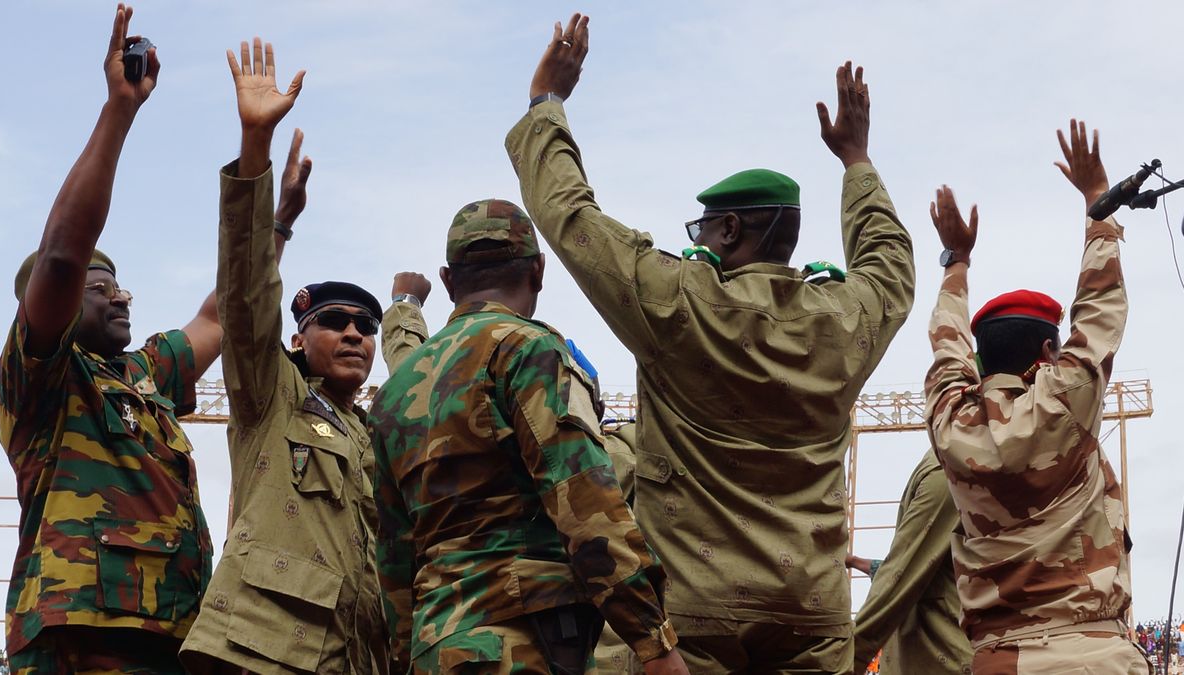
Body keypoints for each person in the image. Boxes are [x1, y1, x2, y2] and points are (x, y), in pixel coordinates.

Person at [505, 14, 915, 673]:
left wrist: (545, 103)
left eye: (702, 227)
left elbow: (569, 215)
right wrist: (857, 161)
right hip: (812, 611)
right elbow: (890, 262)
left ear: (727, 229)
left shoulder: (678, 303)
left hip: (695, 613)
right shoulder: (846, 318)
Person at [0, 6, 223, 672]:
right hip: (82, 637)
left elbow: (221, 315)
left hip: (176, 633)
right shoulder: (44, 379)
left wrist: (270, 209)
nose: (119, 295)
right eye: (102, 288)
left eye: (121, 285)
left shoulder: (145, 374)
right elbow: (63, 254)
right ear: (57, 306)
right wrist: (120, 111)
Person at [370, 199, 688, 674]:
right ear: (539, 271)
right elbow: (585, 504)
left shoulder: (395, 390)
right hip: (523, 644)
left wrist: (406, 656)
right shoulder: (528, 351)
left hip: (435, 646)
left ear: (449, 280)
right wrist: (654, 642)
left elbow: (394, 553)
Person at [177, 37, 404, 674]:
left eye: (366, 325)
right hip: (260, 656)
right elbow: (247, 296)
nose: (355, 333)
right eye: (334, 323)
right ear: (299, 340)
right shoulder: (269, 392)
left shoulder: (369, 433)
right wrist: (257, 154)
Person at [924, 119, 1150, 674]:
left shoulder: (950, 417)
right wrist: (1099, 202)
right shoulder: (1061, 403)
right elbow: (1099, 312)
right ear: (1049, 350)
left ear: (978, 361)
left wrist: (956, 261)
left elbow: (945, 344)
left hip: (997, 659)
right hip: (1090, 656)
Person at [845, 450, 971, 674]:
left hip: (942, 656)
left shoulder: (946, 470)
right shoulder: (949, 461)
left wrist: (844, 661)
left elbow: (900, 573)